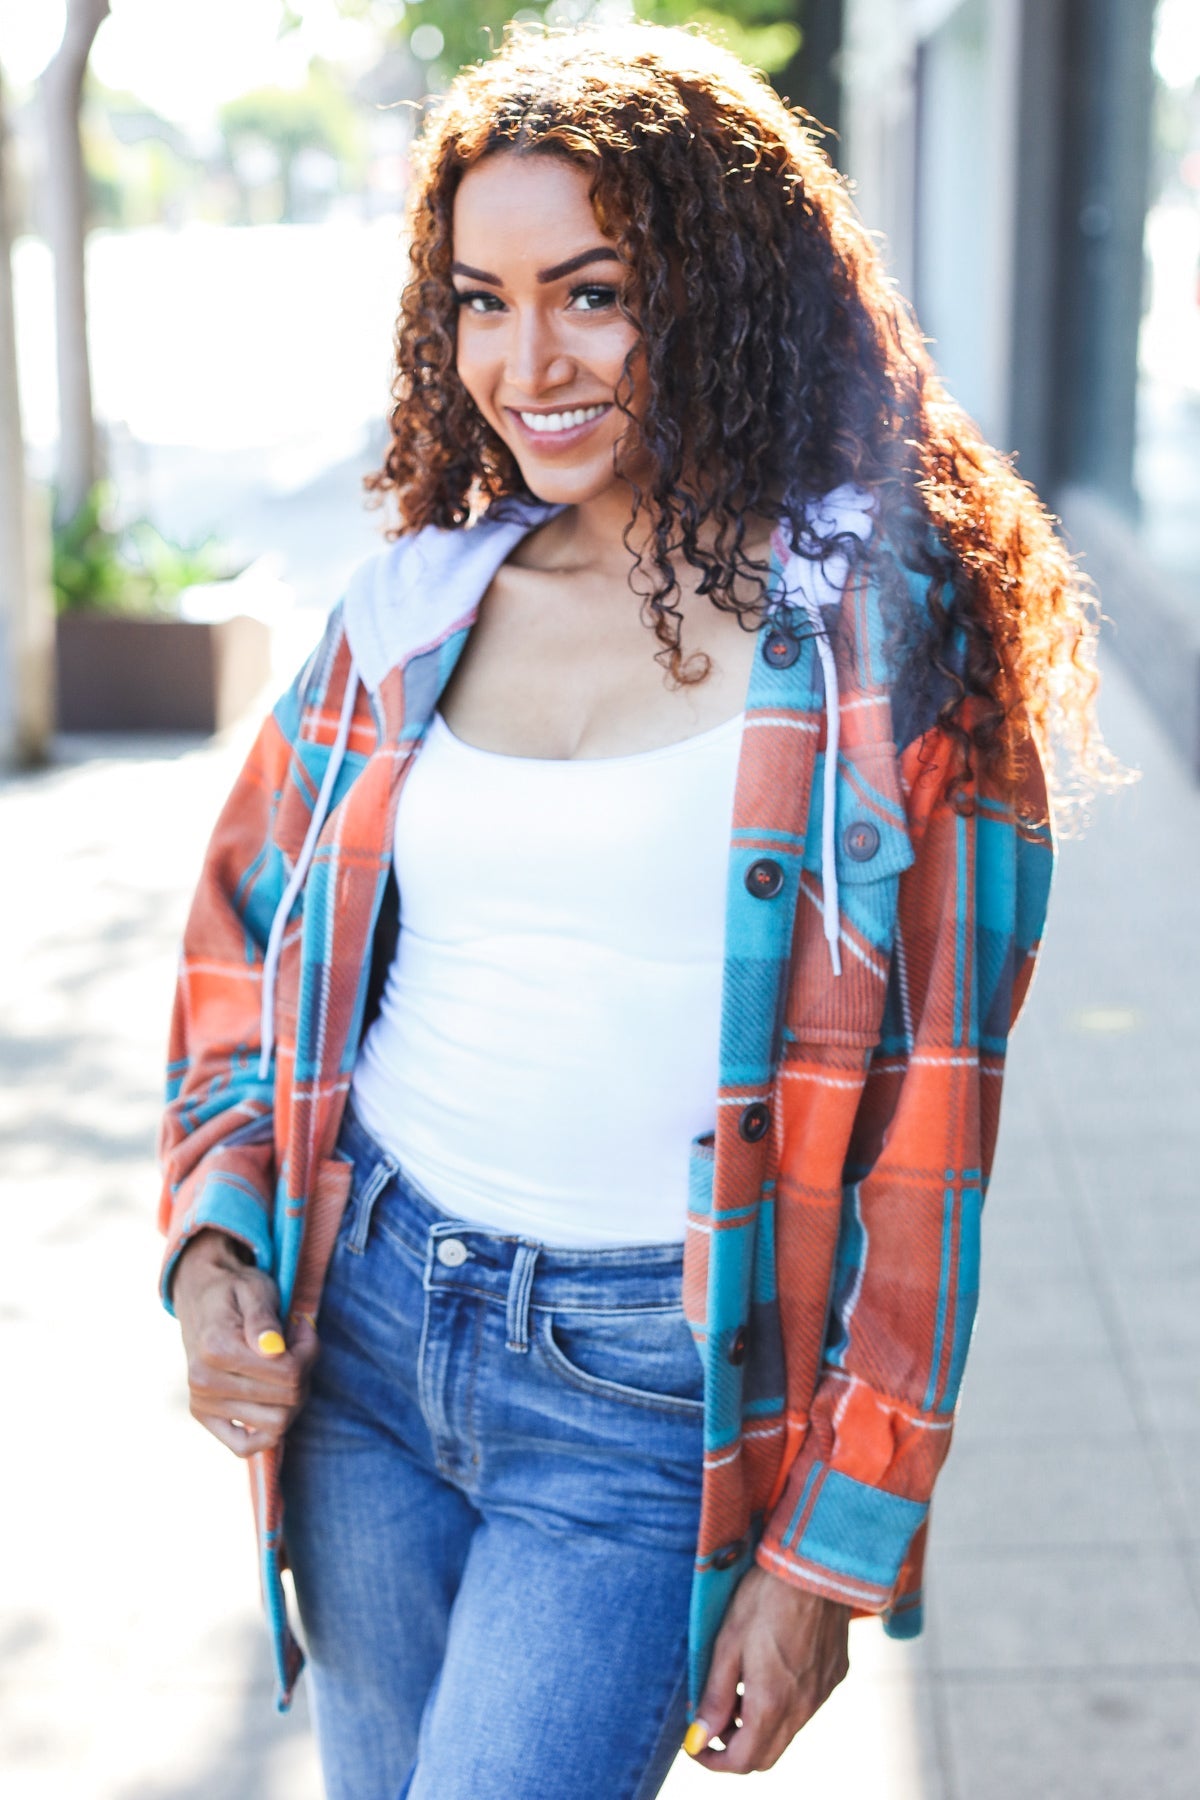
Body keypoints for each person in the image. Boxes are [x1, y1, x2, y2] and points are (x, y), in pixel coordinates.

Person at [158, 22, 1109, 1799]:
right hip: (366, 1337)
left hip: (646, 1397)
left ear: (724, 289)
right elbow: (241, 940)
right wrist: (218, 1255)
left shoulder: (882, 646)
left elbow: (934, 1136)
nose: (528, 363)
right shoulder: (412, 609)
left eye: (592, 293)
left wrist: (829, 1555)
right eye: (482, 301)